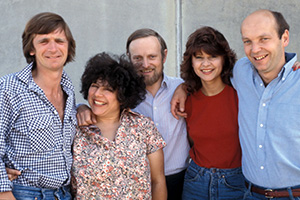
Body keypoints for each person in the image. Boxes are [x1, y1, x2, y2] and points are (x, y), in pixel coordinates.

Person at [171, 9, 300, 200]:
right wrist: (181, 88)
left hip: (242, 184)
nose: (255, 49)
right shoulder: (238, 75)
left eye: (264, 39)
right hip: (202, 181)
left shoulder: (240, 83)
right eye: (248, 41)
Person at [77, 28, 190, 200]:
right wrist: (80, 107)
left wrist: (186, 87)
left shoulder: (183, 88)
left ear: (164, 56)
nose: (145, 64)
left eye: (152, 56)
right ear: (129, 59)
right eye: (137, 58)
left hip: (180, 179)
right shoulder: (82, 124)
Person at [0, 12, 76, 200]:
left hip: (65, 194)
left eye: (59, 40)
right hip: (25, 194)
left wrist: (82, 108)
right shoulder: (9, 88)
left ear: (68, 47)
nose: (53, 48)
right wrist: (4, 192)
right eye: (44, 41)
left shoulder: (69, 90)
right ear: (31, 49)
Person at [71, 52, 167, 199]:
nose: (97, 94)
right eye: (94, 86)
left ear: (122, 96)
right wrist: (79, 107)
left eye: (108, 89)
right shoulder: (75, 128)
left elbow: (158, 181)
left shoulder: (143, 127)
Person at [179, 26, 245, 200]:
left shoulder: (240, 95)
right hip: (196, 180)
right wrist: (182, 88)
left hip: (235, 182)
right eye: (199, 58)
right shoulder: (187, 100)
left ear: (224, 59)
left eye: (212, 57)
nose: (205, 64)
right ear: (191, 62)